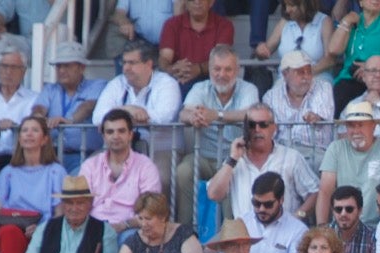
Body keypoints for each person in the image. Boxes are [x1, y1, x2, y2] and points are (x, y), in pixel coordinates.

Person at [174, 44, 260, 226]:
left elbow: (249, 114)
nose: (221, 75)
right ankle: (185, 232)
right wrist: (193, 117)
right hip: (204, 157)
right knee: (184, 171)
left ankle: (232, 235)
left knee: (234, 178)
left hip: (236, 158)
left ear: (237, 70)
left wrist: (217, 116)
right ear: (210, 69)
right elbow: (184, 112)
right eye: (217, 69)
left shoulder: (248, 89)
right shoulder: (200, 88)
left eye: (228, 69)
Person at [91, 41, 181, 191]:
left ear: (149, 64)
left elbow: (164, 116)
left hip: (160, 150)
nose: (126, 68)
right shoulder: (117, 83)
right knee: (92, 173)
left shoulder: (166, 83)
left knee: (160, 178)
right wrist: (128, 110)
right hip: (117, 149)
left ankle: (156, 215)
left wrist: (119, 114)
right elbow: (98, 118)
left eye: (132, 63)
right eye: (124, 62)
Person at [206, 104, 321, 221]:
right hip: (246, 235)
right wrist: (232, 159)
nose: (257, 130)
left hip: (283, 234)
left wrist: (298, 216)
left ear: (274, 128)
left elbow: (315, 192)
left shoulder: (291, 157)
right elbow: (214, 194)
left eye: (263, 125)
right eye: (251, 125)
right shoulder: (235, 160)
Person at [0, 116, 67, 253]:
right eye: (24, 130)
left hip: (42, 231)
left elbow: (60, 215)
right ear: (20, 138)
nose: (29, 134)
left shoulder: (55, 171)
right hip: (11, 228)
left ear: (44, 139)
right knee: (9, 232)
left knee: (12, 237)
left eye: (35, 130)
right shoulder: (8, 172)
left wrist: (42, 229)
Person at [76, 107, 164, 248]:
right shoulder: (90, 165)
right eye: (110, 132)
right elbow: (80, 203)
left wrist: (123, 225)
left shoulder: (146, 166)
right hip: (94, 226)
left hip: (130, 229)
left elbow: (150, 210)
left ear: (130, 134)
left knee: (131, 241)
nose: (115, 136)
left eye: (121, 131)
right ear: (104, 136)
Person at [315, 100, 380, 227]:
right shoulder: (335, 148)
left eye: (361, 125)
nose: (356, 130)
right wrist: (321, 227)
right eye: (351, 125)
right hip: (343, 225)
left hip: (379, 226)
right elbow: (325, 191)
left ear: (373, 126)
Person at [31, 41, 106, 174]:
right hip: (52, 155)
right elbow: (39, 108)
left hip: (86, 157)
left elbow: (88, 106)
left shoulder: (97, 85)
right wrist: (37, 118)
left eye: (66, 66)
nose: (61, 71)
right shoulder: (50, 89)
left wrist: (70, 121)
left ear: (81, 67)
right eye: (58, 66)